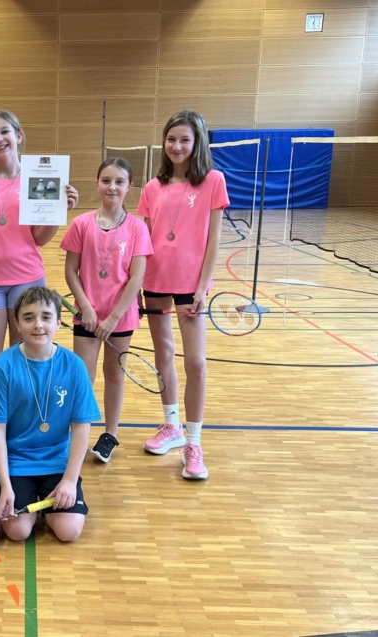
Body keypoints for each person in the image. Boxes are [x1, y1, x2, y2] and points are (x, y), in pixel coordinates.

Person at [137, 110, 230, 480]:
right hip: (155, 280)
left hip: (192, 285)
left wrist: (203, 286)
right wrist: (134, 283)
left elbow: (214, 239)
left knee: (195, 362)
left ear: (197, 143)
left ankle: (194, 442)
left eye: (184, 140)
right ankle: (171, 425)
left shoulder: (213, 181)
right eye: (171, 139)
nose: (176, 146)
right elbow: (144, 239)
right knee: (163, 354)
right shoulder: (152, 187)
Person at [0, 110, 79, 363]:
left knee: (25, 355)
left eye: (5, 132)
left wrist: (59, 210)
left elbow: (39, 239)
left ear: (19, 136)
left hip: (28, 278)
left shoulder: (38, 179)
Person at [0, 287, 100, 542]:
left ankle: (47, 507)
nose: (38, 325)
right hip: (16, 461)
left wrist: (69, 481)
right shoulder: (3, 366)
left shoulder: (74, 365)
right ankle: (33, 506)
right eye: (29, 317)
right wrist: (5, 485)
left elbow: (81, 427)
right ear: (17, 323)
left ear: (59, 322)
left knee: (69, 531)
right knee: (17, 531)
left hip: (57, 461)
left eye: (46, 317)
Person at [60, 158, 152, 463]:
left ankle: (110, 435)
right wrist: (85, 307)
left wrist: (113, 318)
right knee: (82, 378)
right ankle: (79, 433)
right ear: (97, 183)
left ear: (129, 186)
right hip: (86, 316)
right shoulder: (81, 224)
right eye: (106, 180)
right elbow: (71, 271)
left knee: (114, 374)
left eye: (119, 182)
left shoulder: (137, 228)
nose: (112, 187)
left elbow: (136, 278)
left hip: (120, 318)